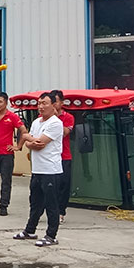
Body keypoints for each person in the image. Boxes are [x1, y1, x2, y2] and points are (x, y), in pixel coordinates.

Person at [13, 92, 63, 247]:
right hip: (37, 170)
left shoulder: (55, 123)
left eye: (44, 103)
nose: (41, 107)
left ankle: (51, 235)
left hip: (51, 170)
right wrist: (30, 139)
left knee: (51, 204)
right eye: (39, 103)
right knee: (35, 202)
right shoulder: (36, 122)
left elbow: (40, 143)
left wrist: (29, 138)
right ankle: (30, 230)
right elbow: (30, 143)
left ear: (53, 105)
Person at [50, 90, 75, 223]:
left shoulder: (68, 117)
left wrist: (55, 119)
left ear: (61, 102)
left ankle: (61, 212)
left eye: (55, 102)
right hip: (50, 156)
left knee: (63, 185)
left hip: (64, 156)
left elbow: (64, 133)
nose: (53, 105)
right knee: (49, 185)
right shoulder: (44, 117)